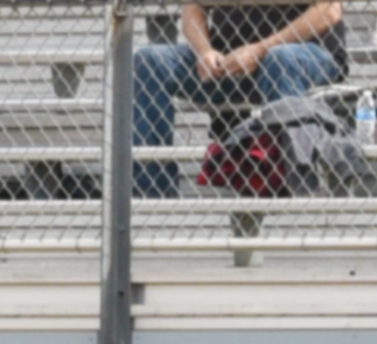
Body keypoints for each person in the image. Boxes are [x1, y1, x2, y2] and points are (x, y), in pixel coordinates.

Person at [134, 3, 348, 198]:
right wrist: (203, 50)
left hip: (303, 53)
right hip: (229, 60)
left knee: (280, 59)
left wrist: (261, 50)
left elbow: (330, 10)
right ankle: (152, 193)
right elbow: (194, 7)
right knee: (149, 61)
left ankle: (285, 186)